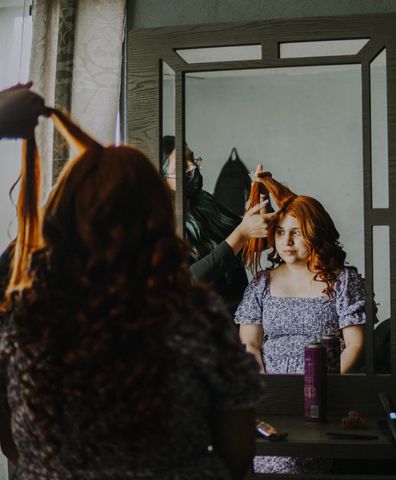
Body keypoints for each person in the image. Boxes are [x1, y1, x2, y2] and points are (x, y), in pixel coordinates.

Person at [0, 109, 262, 479]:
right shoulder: (194, 316)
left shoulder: (27, 316)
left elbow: (10, 438)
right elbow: (237, 453)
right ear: (154, 214)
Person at [235, 174, 366, 475]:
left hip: (323, 398)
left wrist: (320, 390)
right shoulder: (261, 283)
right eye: (280, 232)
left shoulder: (342, 280)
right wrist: (272, 394)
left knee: (301, 463)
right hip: (272, 399)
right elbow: (250, 345)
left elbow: (356, 344)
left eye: (296, 232)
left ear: (315, 233)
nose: (287, 241)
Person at [161, 136, 274, 313]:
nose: (194, 167)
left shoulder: (205, 203)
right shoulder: (160, 223)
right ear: (160, 174)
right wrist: (240, 235)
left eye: (193, 159)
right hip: (200, 322)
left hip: (236, 314)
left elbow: (259, 241)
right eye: (183, 164)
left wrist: (261, 198)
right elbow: (186, 281)